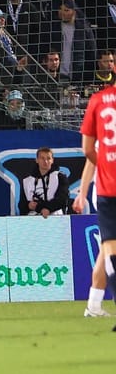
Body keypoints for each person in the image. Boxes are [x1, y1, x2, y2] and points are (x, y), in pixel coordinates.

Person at [75, 84, 116, 319]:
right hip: (108, 190)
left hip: (105, 190)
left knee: (106, 250)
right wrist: (82, 193)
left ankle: (93, 304)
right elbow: (91, 160)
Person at [18, 147, 71, 217]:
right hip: (32, 220)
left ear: (52, 160)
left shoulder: (60, 177)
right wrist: (28, 206)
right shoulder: (27, 181)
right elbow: (21, 205)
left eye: (48, 158)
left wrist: (47, 208)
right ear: (37, 160)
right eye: (42, 158)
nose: (45, 161)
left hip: (56, 218)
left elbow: (63, 199)